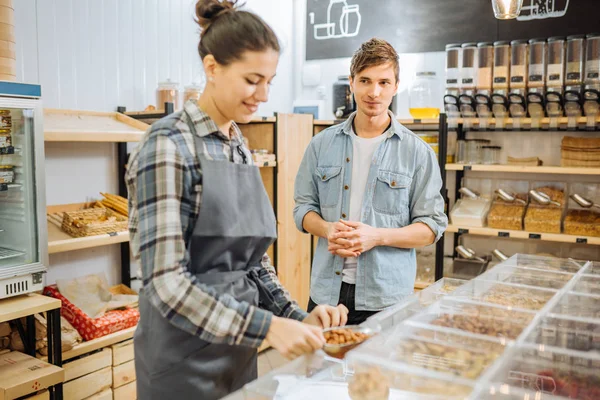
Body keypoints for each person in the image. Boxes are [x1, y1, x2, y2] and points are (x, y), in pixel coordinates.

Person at [127, 1, 348, 399]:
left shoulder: (238, 145)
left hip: (238, 354)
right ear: (212, 68)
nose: (262, 94)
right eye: (252, 79)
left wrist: (296, 317)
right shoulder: (168, 145)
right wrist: (268, 328)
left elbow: (253, 266)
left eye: (270, 81)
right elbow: (165, 284)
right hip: (180, 363)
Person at [294, 38, 448, 325]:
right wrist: (327, 229)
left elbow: (431, 227)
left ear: (395, 86)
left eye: (384, 82)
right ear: (352, 83)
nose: (374, 92)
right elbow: (303, 210)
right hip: (327, 293)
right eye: (365, 80)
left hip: (385, 299)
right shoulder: (320, 145)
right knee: (320, 367)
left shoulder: (417, 152)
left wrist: (376, 236)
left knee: (378, 371)